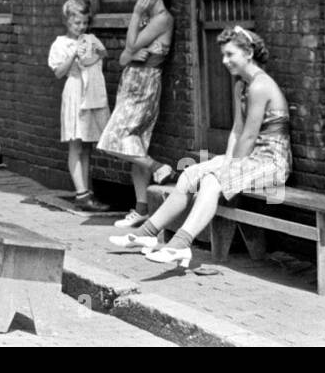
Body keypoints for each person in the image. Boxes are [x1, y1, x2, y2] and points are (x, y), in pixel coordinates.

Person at [110, 27, 292, 268]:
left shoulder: (260, 86)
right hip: (250, 158)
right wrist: (227, 160)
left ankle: (180, 245)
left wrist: (229, 169)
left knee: (212, 181)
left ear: (248, 53)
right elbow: (237, 130)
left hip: (272, 161)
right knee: (189, 174)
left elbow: (249, 136)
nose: (225, 61)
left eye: (230, 54)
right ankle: (147, 233)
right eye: (224, 55)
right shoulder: (242, 85)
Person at [95, 0, 175, 228]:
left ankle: (157, 167)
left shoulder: (161, 18)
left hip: (145, 83)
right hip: (130, 81)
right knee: (135, 145)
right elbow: (123, 57)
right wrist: (131, 53)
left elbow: (130, 46)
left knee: (114, 139)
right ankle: (141, 208)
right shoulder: (145, 20)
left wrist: (136, 14)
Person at [48, 0, 110, 213]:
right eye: (77, 24)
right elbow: (58, 73)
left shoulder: (89, 39)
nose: (81, 27)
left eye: (84, 23)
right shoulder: (61, 44)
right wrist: (74, 54)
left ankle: (86, 192)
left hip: (90, 93)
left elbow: (102, 59)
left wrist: (95, 51)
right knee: (75, 142)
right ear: (67, 22)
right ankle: (81, 193)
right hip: (74, 91)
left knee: (87, 144)